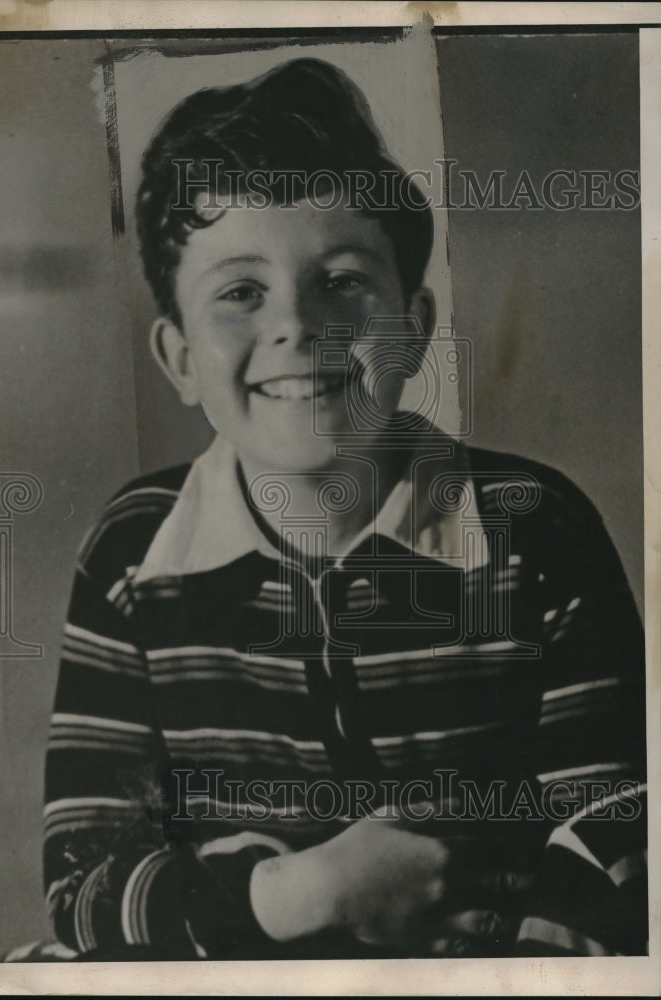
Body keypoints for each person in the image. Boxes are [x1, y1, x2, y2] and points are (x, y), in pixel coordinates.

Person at [43, 58, 647, 960]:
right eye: (241, 292)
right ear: (177, 357)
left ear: (413, 324)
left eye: (341, 281)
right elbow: (81, 884)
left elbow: (618, 840)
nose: (298, 325)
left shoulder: (534, 529)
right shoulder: (134, 551)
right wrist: (301, 893)